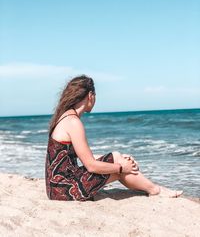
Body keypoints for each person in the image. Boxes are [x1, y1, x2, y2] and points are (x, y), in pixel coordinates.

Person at [45, 75, 183, 201]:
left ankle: (153, 189)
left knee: (117, 158)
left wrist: (120, 160)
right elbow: (91, 166)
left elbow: (85, 158)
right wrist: (121, 167)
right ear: (90, 95)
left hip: (57, 188)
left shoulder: (65, 117)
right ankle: (155, 190)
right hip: (65, 190)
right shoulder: (73, 122)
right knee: (117, 164)